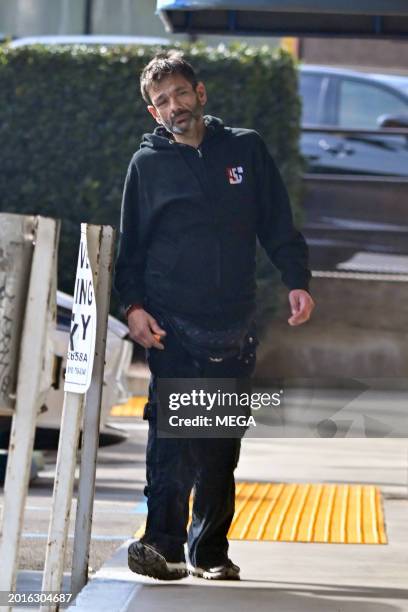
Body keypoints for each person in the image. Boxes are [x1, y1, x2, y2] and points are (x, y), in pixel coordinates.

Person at [114, 50, 315, 582]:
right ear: (153, 114)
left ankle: (209, 552)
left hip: (234, 324)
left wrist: (297, 281)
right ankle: (162, 547)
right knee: (174, 438)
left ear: (200, 94)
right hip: (170, 324)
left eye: (180, 93)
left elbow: (277, 223)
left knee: (219, 444)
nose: (173, 105)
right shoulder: (147, 166)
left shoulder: (245, 149)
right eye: (161, 101)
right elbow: (130, 249)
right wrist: (132, 308)